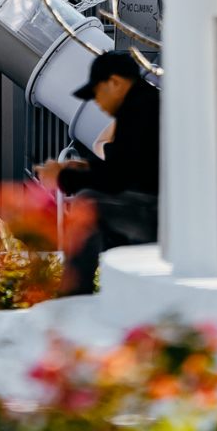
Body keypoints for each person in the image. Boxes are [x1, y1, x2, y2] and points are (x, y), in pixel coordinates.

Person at [37, 50, 160, 296]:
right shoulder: (147, 102)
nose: (96, 102)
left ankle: (74, 291)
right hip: (166, 210)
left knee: (87, 203)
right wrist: (87, 168)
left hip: (161, 215)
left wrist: (61, 178)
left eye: (96, 92)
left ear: (115, 82)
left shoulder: (138, 108)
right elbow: (132, 169)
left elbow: (117, 180)